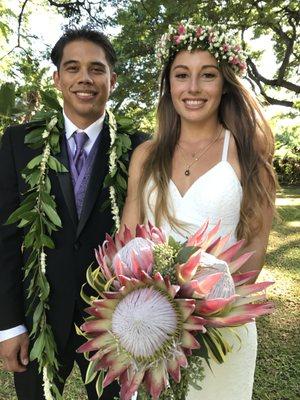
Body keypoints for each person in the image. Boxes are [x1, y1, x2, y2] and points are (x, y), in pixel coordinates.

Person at [121, 21, 277, 399]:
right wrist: (153, 311)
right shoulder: (146, 155)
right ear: (168, 84)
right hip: (154, 331)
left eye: (207, 75)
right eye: (181, 75)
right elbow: (126, 241)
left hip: (223, 328)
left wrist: (195, 308)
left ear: (224, 83)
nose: (193, 88)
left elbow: (253, 256)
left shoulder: (247, 152)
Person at [0, 28, 143, 400]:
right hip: (37, 319)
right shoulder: (18, 142)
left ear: (113, 79)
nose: (85, 79)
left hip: (116, 322)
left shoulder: (141, 148)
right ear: (57, 78)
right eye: (72, 68)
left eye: (96, 69)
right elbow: (4, 238)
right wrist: (8, 324)